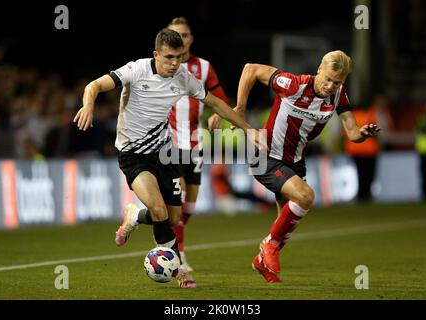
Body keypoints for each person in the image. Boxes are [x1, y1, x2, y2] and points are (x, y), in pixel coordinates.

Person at [73, 28, 260, 288]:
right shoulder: (136, 70)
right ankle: (180, 270)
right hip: (133, 155)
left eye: (179, 57)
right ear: (156, 54)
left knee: (173, 218)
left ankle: (136, 216)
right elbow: (94, 85)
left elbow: (216, 103)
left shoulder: (184, 77)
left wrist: (248, 129)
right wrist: (88, 104)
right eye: (169, 57)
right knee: (160, 211)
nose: (175, 64)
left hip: (165, 153)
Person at [232, 50, 380, 283]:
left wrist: (362, 134)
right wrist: (240, 108)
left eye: (337, 82)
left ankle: (262, 262)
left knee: (284, 227)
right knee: (306, 197)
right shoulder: (294, 84)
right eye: (328, 79)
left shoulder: (339, 94)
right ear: (319, 70)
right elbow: (251, 68)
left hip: (295, 162)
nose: (331, 85)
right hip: (266, 156)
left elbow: (351, 132)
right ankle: (267, 247)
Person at [166, 17, 230, 271]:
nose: (180, 38)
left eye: (184, 34)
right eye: (175, 34)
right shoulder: (161, 66)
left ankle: (149, 222)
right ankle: (177, 255)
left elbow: (220, 97)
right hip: (168, 143)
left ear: (191, 38)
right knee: (178, 200)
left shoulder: (203, 67)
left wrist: (217, 113)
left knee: (188, 208)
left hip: (194, 144)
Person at [344, 94, 393, 201]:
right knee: (369, 175)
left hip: (355, 150)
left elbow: (345, 133)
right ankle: (366, 195)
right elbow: (377, 132)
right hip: (369, 150)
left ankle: (361, 194)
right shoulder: (371, 114)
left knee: (360, 174)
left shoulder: (352, 116)